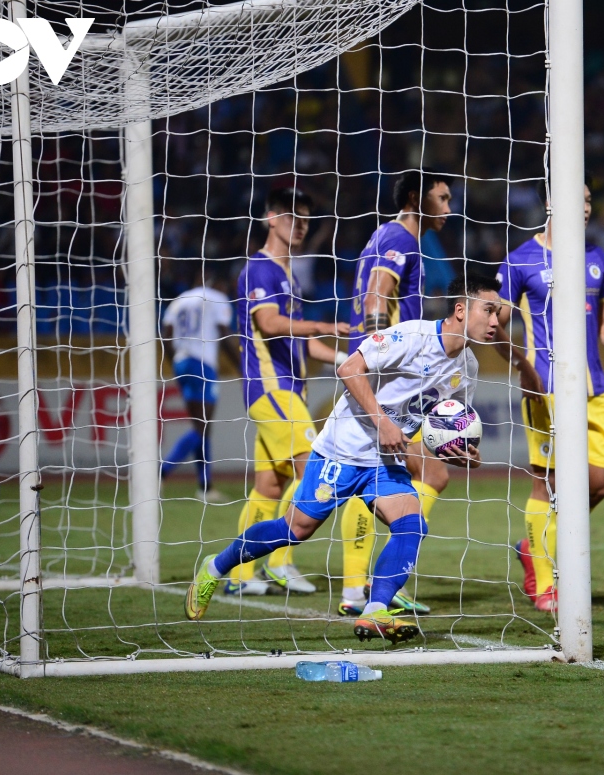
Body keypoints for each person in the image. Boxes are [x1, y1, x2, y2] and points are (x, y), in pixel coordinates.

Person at [185, 275, 501, 643]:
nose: (496, 321)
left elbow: (442, 425)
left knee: (411, 524)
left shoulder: (469, 368)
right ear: (461, 310)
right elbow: (349, 369)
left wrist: (459, 452)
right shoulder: (411, 336)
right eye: (489, 310)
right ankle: (215, 566)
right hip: (342, 448)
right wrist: (383, 423)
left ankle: (375, 610)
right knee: (295, 530)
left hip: (385, 459)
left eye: (498, 313)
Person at [495, 183, 604, 613]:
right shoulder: (521, 259)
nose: (584, 209)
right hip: (545, 390)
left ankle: (532, 545)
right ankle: (545, 585)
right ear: (550, 203)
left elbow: (603, 324)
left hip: (593, 389)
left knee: (596, 485)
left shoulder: (595, 258)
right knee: (547, 485)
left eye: (587, 202)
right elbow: (497, 327)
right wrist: (522, 367)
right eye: (575, 200)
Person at [337, 170, 454, 616]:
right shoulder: (400, 239)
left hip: (382, 375)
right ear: (414, 198)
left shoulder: (390, 237)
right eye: (441, 198)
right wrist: (380, 361)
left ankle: (371, 582)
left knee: (422, 476)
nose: (448, 207)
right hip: (382, 379)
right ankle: (361, 586)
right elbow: (374, 300)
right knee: (381, 475)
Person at [228, 187, 349, 596]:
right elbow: (271, 325)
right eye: (292, 218)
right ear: (270, 218)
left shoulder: (289, 275)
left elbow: (300, 342)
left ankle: (239, 575)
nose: (300, 226)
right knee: (312, 469)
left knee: (269, 488)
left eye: (305, 220)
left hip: (286, 389)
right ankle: (280, 562)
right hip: (272, 388)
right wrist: (321, 325)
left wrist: (340, 357)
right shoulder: (259, 269)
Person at [161, 269, 241, 502]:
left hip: (181, 362)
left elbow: (166, 335)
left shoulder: (179, 300)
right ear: (218, 284)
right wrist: (242, 367)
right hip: (202, 364)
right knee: (201, 427)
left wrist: (175, 362)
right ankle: (161, 472)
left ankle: (205, 486)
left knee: (201, 426)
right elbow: (225, 333)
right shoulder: (217, 297)